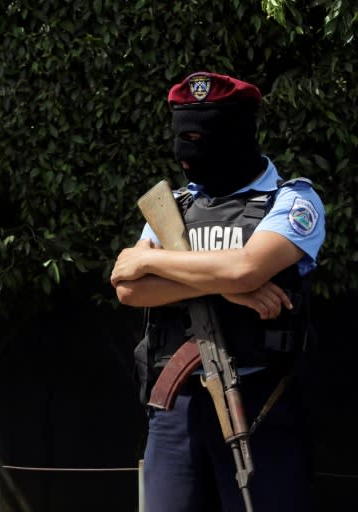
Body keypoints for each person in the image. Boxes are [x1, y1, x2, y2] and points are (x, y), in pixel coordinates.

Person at [110, 71, 326, 512]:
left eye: (202, 135)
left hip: (259, 402)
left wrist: (152, 260)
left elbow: (247, 267)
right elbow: (129, 290)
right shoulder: (174, 206)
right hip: (174, 409)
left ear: (240, 133)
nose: (189, 149)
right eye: (181, 136)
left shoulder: (291, 201)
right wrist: (227, 288)